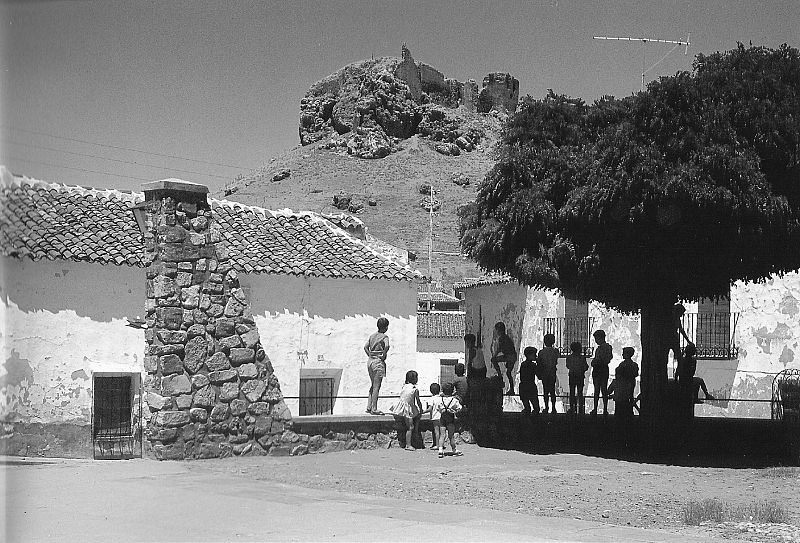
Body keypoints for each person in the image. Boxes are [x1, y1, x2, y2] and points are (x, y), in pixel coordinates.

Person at [391, 370, 423, 451]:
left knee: (410, 425)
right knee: (410, 427)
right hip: (408, 408)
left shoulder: (404, 386)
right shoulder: (414, 389)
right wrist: (421, 408)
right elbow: (417, 400)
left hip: (403, 407)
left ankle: (411, 440)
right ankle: (408, 444)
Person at [365, 317, 390, 415]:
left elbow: (365, 347)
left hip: (370, 362)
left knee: (372, 385)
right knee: (377, 386)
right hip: (378, 362)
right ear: (386, 327)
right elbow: (387, 346)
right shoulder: (384, 337)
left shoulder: (372, 336)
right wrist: (383, 354)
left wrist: (370, 355)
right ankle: (374, 409)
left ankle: (369, 406)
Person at [437, 382, 464, 457]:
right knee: (451, 435)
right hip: (450, 418)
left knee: (442, 435)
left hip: (442, 417)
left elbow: (438, 408)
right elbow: (460, 408)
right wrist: (454, 411)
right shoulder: (454, 400)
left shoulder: (440, 399)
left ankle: (440, 449)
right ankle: (454, 449)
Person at [490, 322, 518, 395]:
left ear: (498, 330)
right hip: (512, 356)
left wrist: (494, 356)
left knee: (494, 360)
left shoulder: (502, 338)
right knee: (508, 373)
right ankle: (512, 389)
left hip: (509, 356)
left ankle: (500, 375)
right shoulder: (505, 337)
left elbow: (499, 349)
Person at [591, 329, 612, 416]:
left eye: (596, 339)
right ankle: (605, 409)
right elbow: (609, 358)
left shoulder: (600, 349)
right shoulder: (608, 347)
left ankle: (595, 409)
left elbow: (598, 360)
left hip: (598, 370)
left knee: (597, 390)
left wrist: (595, 362)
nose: (595, 341)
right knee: (604, 389)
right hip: (604, 370)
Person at [614, 347, 639, 419]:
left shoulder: (622, 364)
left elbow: (619, 373)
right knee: (630, 396)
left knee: (623, 397)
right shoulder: (634, 365)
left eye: (624, 353)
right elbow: (636, 374)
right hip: (631, 382)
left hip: (623, 383)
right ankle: (630, 412)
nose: (622, 354)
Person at [537, 333, 559, 413]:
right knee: (552, 391)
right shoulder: (555, 351)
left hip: (545, 373)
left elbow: (539, 363)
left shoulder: (541, 352)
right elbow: (556, 361)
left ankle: (546, 407)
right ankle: (553, 408)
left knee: (545, 391)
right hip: (552, 373)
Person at [566, 341, 589, 415]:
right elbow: (586, 367)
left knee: (572, 392)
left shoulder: (569, 357)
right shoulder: (582, 358)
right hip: (580, 376)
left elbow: (568, 366)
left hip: (572, 376)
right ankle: (581, 409)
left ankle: (572, 408)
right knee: (580, 392)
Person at [671, 303, 694, 378]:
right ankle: (676, 376)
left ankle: (677, 376)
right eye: (681, 313)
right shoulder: (671, 319)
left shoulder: (677, 319)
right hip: (671, 338)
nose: (682, 315)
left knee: (679, 358)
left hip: (675, 339)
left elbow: (681, 330)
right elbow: (681, 330)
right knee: (679, 358)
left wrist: (688, 341)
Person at [519, 346, 540, 416]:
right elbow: (539, 376)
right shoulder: (533, 365)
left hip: (523, 387)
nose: (536, 356)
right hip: (531, 387)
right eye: (534, 354)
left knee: (527, 408)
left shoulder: (523, 364)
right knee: (536, 408)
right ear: (529, 355)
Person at [426, 382, 443, 449]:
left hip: (435, 417)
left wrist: (422, 412)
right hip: (441, 416)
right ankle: (441, 444)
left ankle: (437, 445)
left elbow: (430, 409)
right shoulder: (441, 398)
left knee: (436, 432)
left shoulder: (431, 399)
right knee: (442, 432)